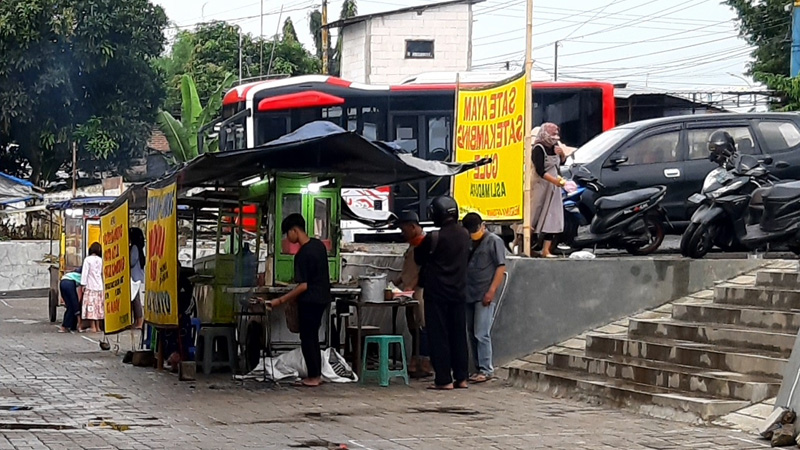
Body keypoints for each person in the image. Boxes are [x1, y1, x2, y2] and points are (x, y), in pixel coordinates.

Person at [267, 214, 331, 387]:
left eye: (288, 233)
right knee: (313, 338)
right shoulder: (319, 246)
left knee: (308, 338)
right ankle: (316, 374)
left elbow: (303, 286)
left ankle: (313, 377)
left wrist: (280, 301)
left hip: (309, 300)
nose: (288, 238)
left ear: (294, 230)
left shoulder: (302, 254)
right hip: (323, 298)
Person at [414, 196, 471, 390]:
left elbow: (418, 258)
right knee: (458, 335)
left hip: (437, 294)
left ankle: (444, 379)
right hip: (459, 293)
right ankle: (462, 377)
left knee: (439, 336)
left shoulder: (434, 237)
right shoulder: (465, 234)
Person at [461, 213, 507, 383]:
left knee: (482, 332)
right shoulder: (468, 242)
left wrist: (491, 291)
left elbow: (501, 267)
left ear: (483, 225)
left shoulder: (494, 241)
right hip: (468, 293)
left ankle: (486, 369)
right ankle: (477, 367)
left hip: (484, 293)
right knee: (471, 333)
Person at [392, 211, 432, 378]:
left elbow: (422, 271)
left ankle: (424, 363)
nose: (403, 233)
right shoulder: (412, 245)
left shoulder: (425, 244)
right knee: (413, 328)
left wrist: (409, 287)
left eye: (404, 229)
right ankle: (415, 360)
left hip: (419, 293)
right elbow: (408, 270)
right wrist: (395, 283)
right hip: (408, 292)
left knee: (422, 327)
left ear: (413, 227)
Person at [531, 122, 567, 258]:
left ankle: (546, 250)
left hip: (554, 189)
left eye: (556, 134)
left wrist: (562, 155)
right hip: (540, 187)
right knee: (534, 216)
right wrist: (554, 181)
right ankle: (524, 245)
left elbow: (561, 163)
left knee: (553, 217)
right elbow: (540, 171)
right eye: (552, 134)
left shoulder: (556, 147)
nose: (555, 137)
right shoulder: (538, 148)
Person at [81, 242, 104, 333]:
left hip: (90, 286)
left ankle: (92, 326)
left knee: (91, 307)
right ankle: (98, 327)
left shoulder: (87, 260)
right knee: (98, 307)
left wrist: (83, 284)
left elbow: (85, 273)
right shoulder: (101, 260)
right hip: (99, 286)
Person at [129, 227, 145, 329]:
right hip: (138, 276)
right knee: (135, 299)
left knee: (136, 300)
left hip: (135, 278)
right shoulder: (139, 247)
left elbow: (132, 261)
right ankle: (137, 321)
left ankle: (139, 321)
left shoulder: (134, 248)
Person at [58, 268, 83, 333]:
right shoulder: (84, 276)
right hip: (69, 283)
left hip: (63, 282)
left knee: (70, 306)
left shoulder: (74, 273)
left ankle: (71, 326)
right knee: (74, 305)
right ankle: (66, 326)